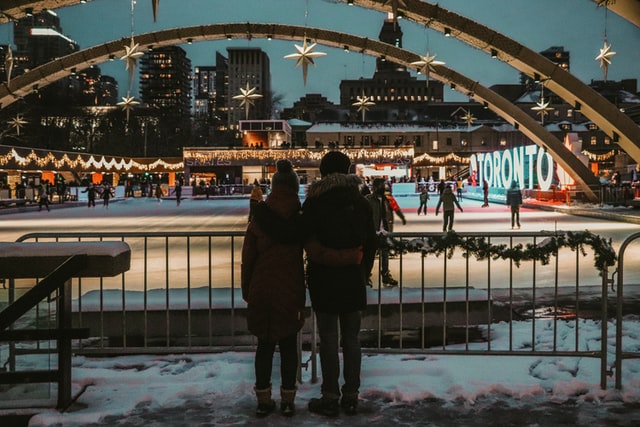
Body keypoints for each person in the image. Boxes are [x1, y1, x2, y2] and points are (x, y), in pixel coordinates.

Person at [301, 151, 377, 417]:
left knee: (329, 340)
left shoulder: (314, 203)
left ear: (323, 172)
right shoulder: (361, 203)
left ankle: (330, 395)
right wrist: (361, 270)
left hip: (324, 279)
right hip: (352, 279)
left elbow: (305, 237)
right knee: (352, 339)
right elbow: (370, 244)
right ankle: (351, 395)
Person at [241, 160, 306, 418]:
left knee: (265, 345)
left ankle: (263, 399)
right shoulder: (301, 217)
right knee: (289, 344)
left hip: (262, 286)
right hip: (289, 287)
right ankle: (288, 398)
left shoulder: (260, 215)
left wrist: (248, 290)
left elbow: (248, 258)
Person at [366, 178, 406, 287]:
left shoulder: (388, 198)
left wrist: (402, 217)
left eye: (384, 185)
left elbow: (396, 208)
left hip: (385, 232)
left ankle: (385, 276)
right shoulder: (368, 200)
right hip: (373, 232)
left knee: (385, 255)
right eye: (381, 186)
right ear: (374, 187)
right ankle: (366, 276)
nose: (383, 188)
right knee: (370, 255)